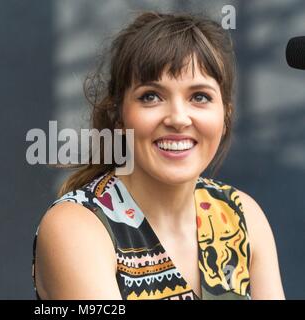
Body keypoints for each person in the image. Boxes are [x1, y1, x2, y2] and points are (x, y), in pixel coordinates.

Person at [31, 11, 285, 300]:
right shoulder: (76, 226)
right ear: (118, 115)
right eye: (151, 96)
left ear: (226, 114)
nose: (178, 118)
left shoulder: (242, 216)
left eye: (199, 97)